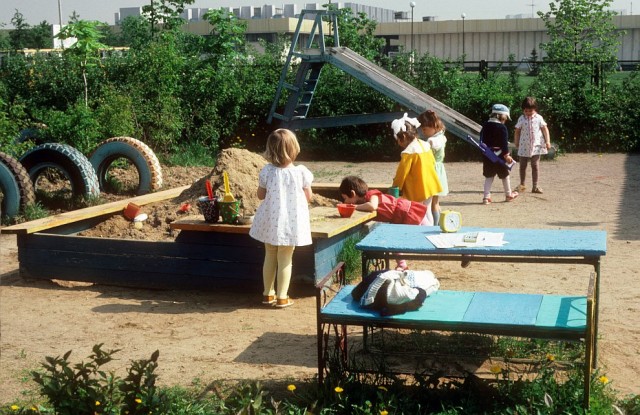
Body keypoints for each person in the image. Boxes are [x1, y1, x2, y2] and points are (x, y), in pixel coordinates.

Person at [249, 128, 313, 309]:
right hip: (290, 222)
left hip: (270, 220)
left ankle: (267, 294)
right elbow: (308, 197)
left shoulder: (267, 171)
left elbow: (260, 195)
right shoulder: (301, 172)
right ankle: (282, 297)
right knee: (285, 258)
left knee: (269, 255)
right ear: (294, 148)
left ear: (271, 150)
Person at [391, 113, 442, 227]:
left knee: (419, 215)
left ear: (403, 138)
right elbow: (433, 163)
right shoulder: (425, 145)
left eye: (398, 140)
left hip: (417, 190)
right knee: (427, 210)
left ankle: (425, 234)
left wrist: (396, 187)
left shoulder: (408, 152)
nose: (398, 143)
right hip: (430, 186)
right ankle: (432, 231)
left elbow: (401, 174)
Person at [339, 175, 431, 225]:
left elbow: (372, 206)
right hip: (398, 218)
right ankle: (401, 261)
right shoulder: (364, 202)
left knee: (427, 232)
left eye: (345, 198)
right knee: (396, 243)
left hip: (407, 211)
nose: (345, 202)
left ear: (353, 193)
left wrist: (354, 207)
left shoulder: (372, 195)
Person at [479, 104, 519, 204]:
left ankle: (486, 197)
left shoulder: (485, 126)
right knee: (505, 175)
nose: (505, 120)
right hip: (500, 155)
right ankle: (508, 194)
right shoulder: (502, 128)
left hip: (487, 155)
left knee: (489, 176)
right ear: (500, 116)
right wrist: (507, 155)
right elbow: (504, 143)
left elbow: (481, 139)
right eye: (505, 118)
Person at [514, 96, 551, 194]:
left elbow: (544, 129)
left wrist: (548, 141)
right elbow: (517, 131)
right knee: (522, 166)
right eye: (526, 111)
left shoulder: (539, 118)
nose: (528, 113)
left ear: (534, 109)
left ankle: (535, 186)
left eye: (530, 111)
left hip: (536, 145)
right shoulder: (521, 118)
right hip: (524, 145)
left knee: (535, 165)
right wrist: (516, 142)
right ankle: (522, 185)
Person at [417, 110, 448, 225]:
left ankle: (433, 224)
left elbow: (426, 148)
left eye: (425, 129)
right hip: (439, 170)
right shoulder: (442, 136)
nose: (423, 132)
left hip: (433, 171)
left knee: (430, 203)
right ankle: (439, 223)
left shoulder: (432, 140)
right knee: (436, 202)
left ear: (433, 126)